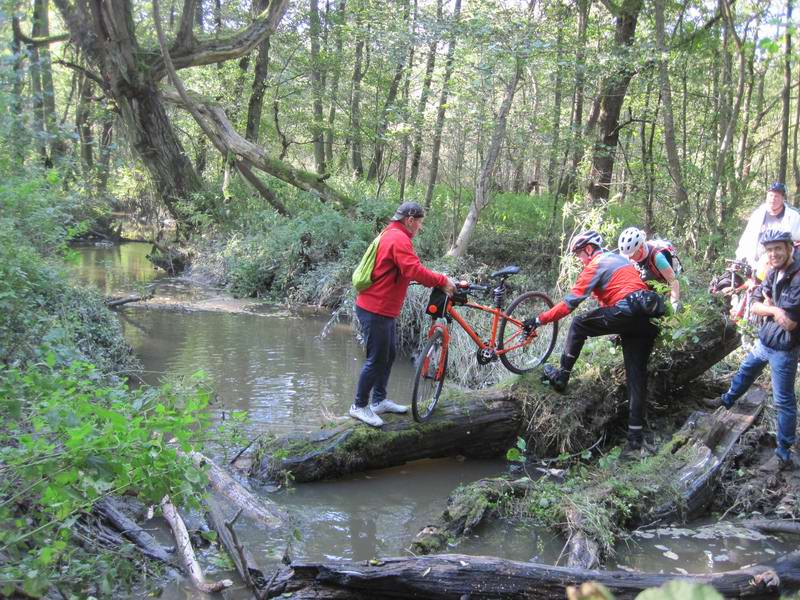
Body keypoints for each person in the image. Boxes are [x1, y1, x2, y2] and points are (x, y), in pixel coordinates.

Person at [525, 230, 661, 451]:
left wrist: (539, 320)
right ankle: (636, 437)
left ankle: (562, 376)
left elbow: (569, 304)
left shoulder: (596, 263)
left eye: (579, 254)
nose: (580, 260)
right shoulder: (619, 260)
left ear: (589, 249)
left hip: (626, 312)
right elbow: (618, 293)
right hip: (646, 317)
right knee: (636, 376)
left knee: (579, 324)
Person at [351, 201, 456, 427]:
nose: (420, 227)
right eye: (419, 222)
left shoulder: (392, 234)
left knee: (387, 354)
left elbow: (405, 270)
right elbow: (413, 269)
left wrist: (435, 278)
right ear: (410, 220)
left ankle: (378, 400)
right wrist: (442, 280)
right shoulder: (398, 238)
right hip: (374, 308)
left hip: (381, 308)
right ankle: (359, 406)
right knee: (376, 358)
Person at [705, 229, 800, 471]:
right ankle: (726, 401)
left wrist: (773, 307)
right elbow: (756, 303)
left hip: (785, 348)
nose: (773, 254)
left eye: (778, 248)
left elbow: (790, 322)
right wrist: (774, 310)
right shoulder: (773, 272)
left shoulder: (798, 277)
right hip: (765, 340)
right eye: (769, 250)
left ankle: (784, 452)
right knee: (746, 370)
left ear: (789, 248)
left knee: (783, 400)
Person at [735, 182, 800, 271]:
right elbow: (747, 239)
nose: (773, 199)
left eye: (776, 196)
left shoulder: (793, 216)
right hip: (755, 265)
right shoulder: (758, 214)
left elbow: (797, 242)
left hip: (782, 265)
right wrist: (739, 258)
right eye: (771, 195)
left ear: (783, 198)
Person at [618, 227, 682, 313]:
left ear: (640, 249)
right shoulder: (632, 258)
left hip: (663, 285)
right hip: (650, 285)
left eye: (631, 255)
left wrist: (673, 306)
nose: (629, 258)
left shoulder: (657, 257)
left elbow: (674, 282)